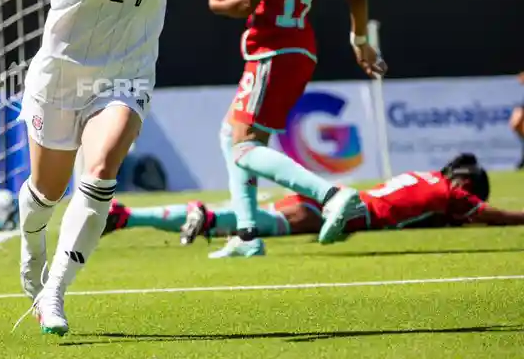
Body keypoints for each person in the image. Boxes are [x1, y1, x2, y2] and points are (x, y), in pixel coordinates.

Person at [0, 0, 324, 336]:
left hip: (125, 79)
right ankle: (32, 247)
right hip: (61, 77)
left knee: (99, 171)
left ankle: (55, 291)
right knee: (47, 193)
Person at [204, 0, 387, 259]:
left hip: (272, 49)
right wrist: (360, 40)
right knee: (231, 134)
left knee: (245, 146)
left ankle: (332, 194)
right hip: (300, 49)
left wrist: (217, 2)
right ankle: (248, 233)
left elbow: (245, 3)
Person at [102, 153, 524, 241]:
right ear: (467, 185)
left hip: (339, 203)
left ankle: (129, 217)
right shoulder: (451, 194)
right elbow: (494, 216)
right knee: (242, 222)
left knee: (239, 216)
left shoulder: (428, 177)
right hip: (343, 212)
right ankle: (129, 217)